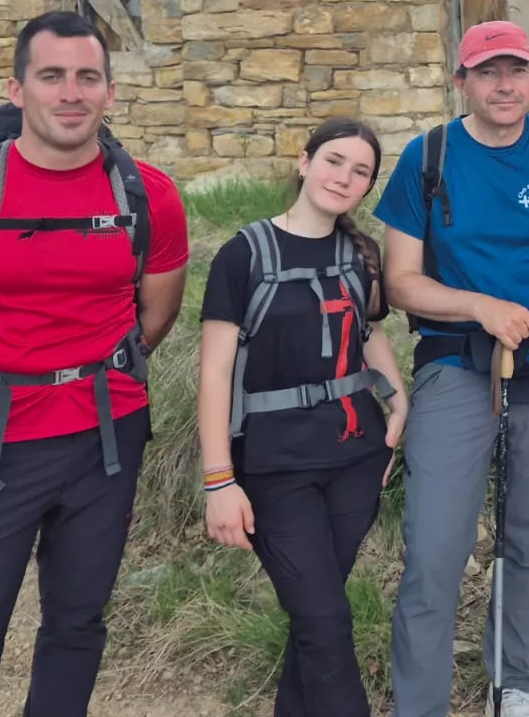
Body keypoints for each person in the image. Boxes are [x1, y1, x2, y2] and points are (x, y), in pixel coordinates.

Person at [0, 11, 189, 715]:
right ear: (16, 89)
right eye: (52, 76)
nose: (71, 93)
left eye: (87, 77)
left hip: (106, 442)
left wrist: (99, 380)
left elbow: (156, 314)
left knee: (77, 627)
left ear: (110, 91)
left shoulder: (150, 196)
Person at [375, 19, 529, 717]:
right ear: (462, 82)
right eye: (487, 72)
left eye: (517, 70)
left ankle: (514, 683)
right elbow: (400, 281)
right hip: (455, 360)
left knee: (527, 534)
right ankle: (421, 703)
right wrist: (481, 306)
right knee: (435, 544)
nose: (504, 85)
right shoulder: (429, 157)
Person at [197, 116, 409, 716]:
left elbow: (367, 332)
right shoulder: (243, 254)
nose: (344, 177)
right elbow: (214, 374)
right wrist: (219, 481)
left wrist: (399, 401)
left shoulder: (361, 254)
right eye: (334, 160)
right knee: (325, 619)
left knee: (317, 616)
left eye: (360, 171)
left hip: (355, 460)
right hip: (273, 467)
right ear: (304, 160)